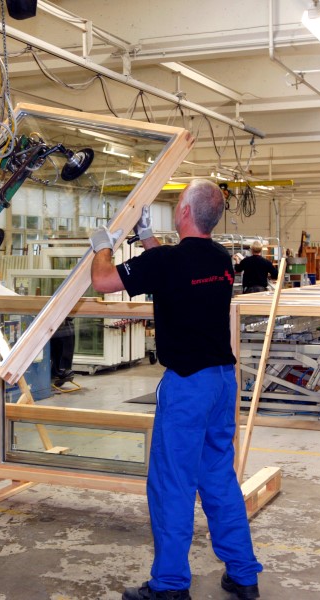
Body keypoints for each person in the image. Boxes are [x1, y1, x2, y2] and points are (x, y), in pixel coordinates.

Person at [90, 179, 263, 600]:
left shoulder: (168, 261)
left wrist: (102, 247)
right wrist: (147, 237)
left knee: (173, 483)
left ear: (184, 211)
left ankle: (169, 586)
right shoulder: (220, 258)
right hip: (222, 382)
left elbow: (103, 281)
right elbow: (177, 270)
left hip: (188, 386)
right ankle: (243, 575)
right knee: (218, 478)